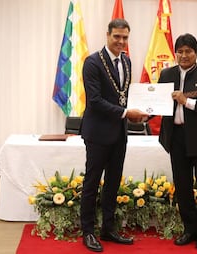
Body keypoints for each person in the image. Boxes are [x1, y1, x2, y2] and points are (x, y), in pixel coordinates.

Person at [80, 18, 148, 252]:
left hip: (119, 133)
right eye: (117, 36)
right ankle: (88, 231)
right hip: (98, 133)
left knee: (112, 184)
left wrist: (143, 111)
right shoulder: (92, 63)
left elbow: (125, 95)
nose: (121, 41)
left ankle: (108, 229)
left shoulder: (127, 61)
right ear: (107, 34)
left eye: (125, 37)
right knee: (91, 183)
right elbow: (95, 101)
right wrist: (127, 112)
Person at [158, 33, 197, 250]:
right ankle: (189, 230)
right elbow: (156, 103)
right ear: (176, 53)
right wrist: (142, 110)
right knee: (183, 188)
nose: (184, 55)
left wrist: (187, 101)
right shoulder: (166, 74)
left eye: (188, 51)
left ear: (196, 53)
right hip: (176, 139)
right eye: (180, 51)